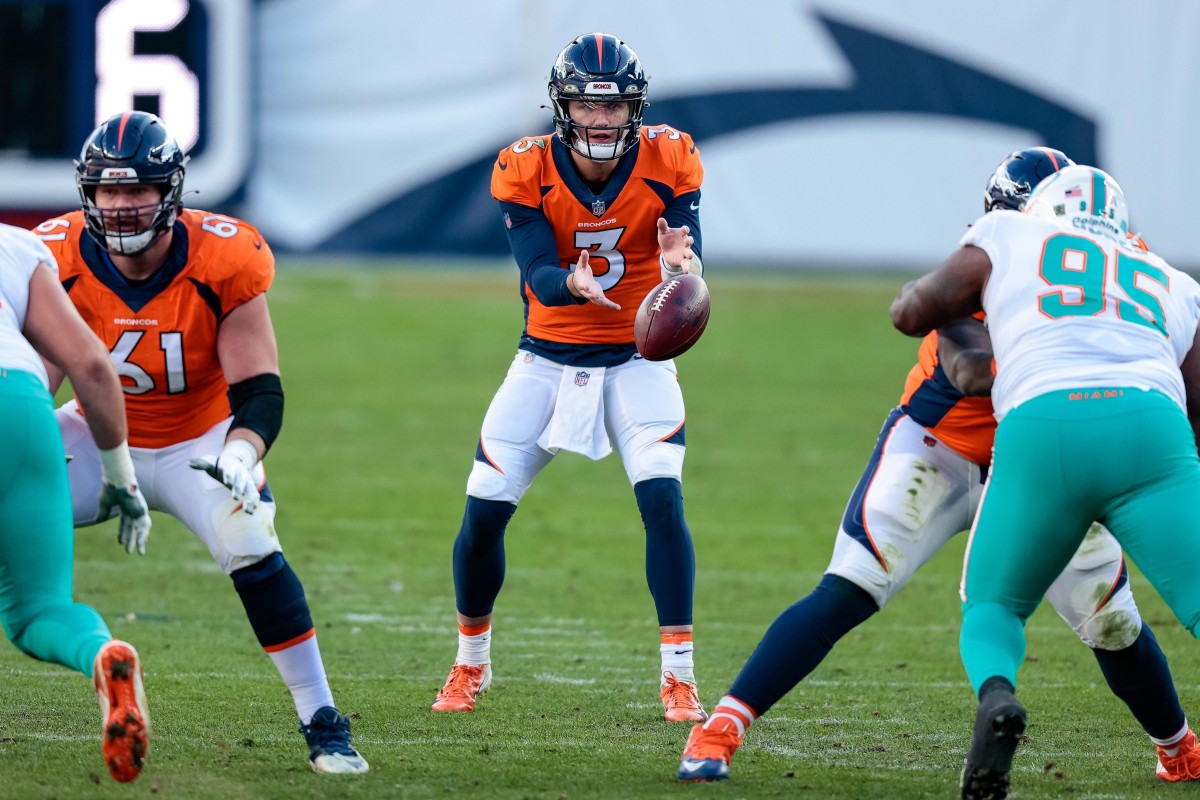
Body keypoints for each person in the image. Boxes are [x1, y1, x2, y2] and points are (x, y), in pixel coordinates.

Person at [675, 149, 1200, 785]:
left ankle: (1176, 746)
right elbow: (968, 371)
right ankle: (723, 725)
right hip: (943, 449)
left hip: (1037, 459)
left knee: (1112, 620)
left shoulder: (1057, 254)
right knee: (853, 583)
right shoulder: (1003, 259)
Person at [32, 111, 367, 774]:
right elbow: (32, 389)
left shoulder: (224, 255)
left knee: (251, 544)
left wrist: (241, 454)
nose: (122, 207)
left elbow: (260, 391)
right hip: (100, 434)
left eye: (137, 191)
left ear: (173, 191)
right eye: (108, 191)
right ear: (87, 193)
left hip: (200, 439)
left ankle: (322, 718)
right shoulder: (57, 254)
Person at [890, 164, 1200, 799]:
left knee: (995, 605)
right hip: (1151, 427)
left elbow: (913, 312)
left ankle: (998, 696)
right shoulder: (1170, 279)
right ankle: (1178, 747)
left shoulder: (1007, 234)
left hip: (1044, 425)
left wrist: (922, 300)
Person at [431, 32, 707, 722]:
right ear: (563, 105)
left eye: (615, 108)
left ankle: (679, 676)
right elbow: (536, 273)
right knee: (483, 513)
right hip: (546, 359)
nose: (603, 120)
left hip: (639, 362)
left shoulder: (670, 157)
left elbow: (690, 264)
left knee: (663, 504)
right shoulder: (524, 167)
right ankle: (471, 662)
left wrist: (682, 269)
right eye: (588, 103)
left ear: (635, 110)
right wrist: (569, 281)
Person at [0, 222, 151, 782]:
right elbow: (91, 365)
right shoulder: (14, 244)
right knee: (39, 608)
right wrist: (119, 475)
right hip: (20, 403)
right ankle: (100, 653)